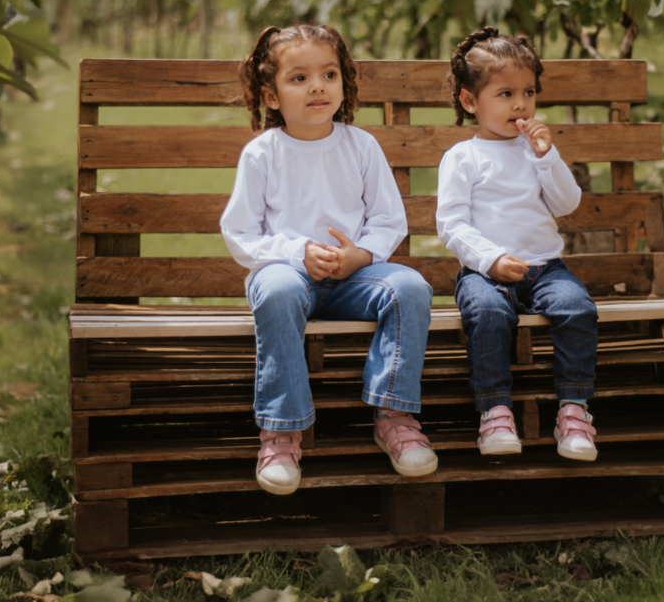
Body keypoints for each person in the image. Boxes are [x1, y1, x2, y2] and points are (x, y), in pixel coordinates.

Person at [221, 24, 438, 495]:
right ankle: (281, 431)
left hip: (354, 279)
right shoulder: (262, 153)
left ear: (344, 83)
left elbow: (388, 219)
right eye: (299, 78)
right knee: (276, 289)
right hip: (287, 279)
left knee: (410, 288)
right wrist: (296, 253)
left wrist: (360, 255)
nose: (317, 86)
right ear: (272, 95)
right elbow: (239, 232)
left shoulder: (360, 146)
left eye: (329, 74)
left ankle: (394, 416)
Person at [435, 26, 600, 461]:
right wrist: (489, 260)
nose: (521, 103)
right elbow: (451, 224)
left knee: (577, 307)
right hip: (484, 275)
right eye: (505, 93)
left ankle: (574, 410)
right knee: (487, 314)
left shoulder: (536, 151)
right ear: (471, 102)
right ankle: (495, 411)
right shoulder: (463, 157)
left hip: (545, 268)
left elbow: (566, 204)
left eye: (528, 92)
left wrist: (548, 157)